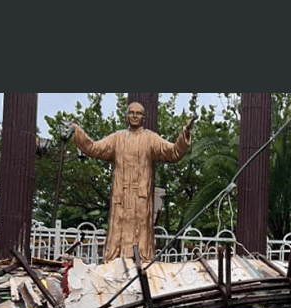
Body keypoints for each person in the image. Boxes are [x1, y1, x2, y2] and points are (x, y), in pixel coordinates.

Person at [69, 102, 196, 263]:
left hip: (141, 197)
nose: (135, 116)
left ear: (144, 117)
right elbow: (94, 148)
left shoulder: (150, 138)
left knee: (142, 230)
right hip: (120, 196)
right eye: (131, 113)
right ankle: (115, 259)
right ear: (127, 115)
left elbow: (172, 152)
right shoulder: (117, 138)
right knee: (118, 229)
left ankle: (141, 260)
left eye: (139, 113)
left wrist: (185, 133)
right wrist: (77, 131)